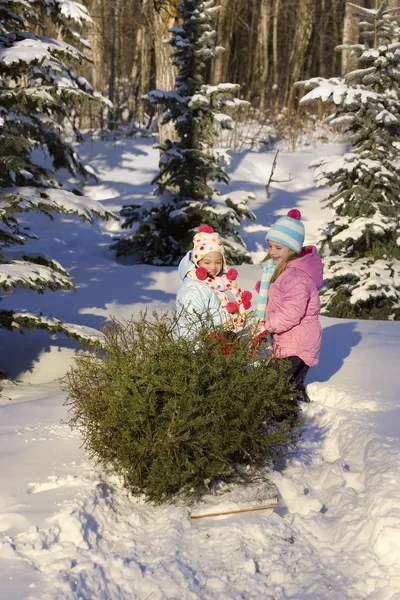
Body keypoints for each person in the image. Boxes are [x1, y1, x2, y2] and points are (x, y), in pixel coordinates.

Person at [255, 209, 323, 403]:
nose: (272, 252)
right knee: (290, 385)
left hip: (296, 343)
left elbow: (292, 312)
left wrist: (267, 325)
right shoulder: (289, 271)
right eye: (270, 246)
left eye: (278, 248)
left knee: (272, 385)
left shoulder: (295, 276)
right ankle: (300, 419)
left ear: (292, 249)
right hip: (298, 341)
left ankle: (283, 424)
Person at [176, 225, 252, 340]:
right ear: (197, 262)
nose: (213, 267)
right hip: (203, 348)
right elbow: (191, 325)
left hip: (217, 342)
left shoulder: (218, 282)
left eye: (218, 262)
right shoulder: (194, 288)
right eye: (207, 262)